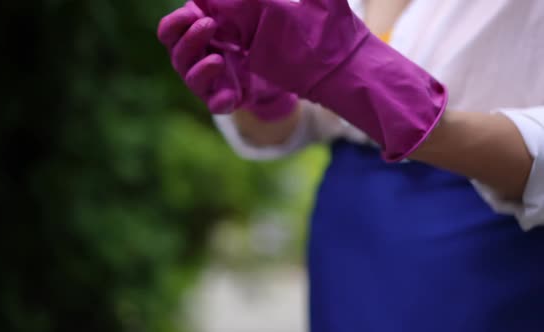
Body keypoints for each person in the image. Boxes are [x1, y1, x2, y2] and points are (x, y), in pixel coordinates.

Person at [158, 0, 544, 331]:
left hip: (485, 238)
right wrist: (261, 95)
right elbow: (317, 118)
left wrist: (424, 121)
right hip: (347, 230)